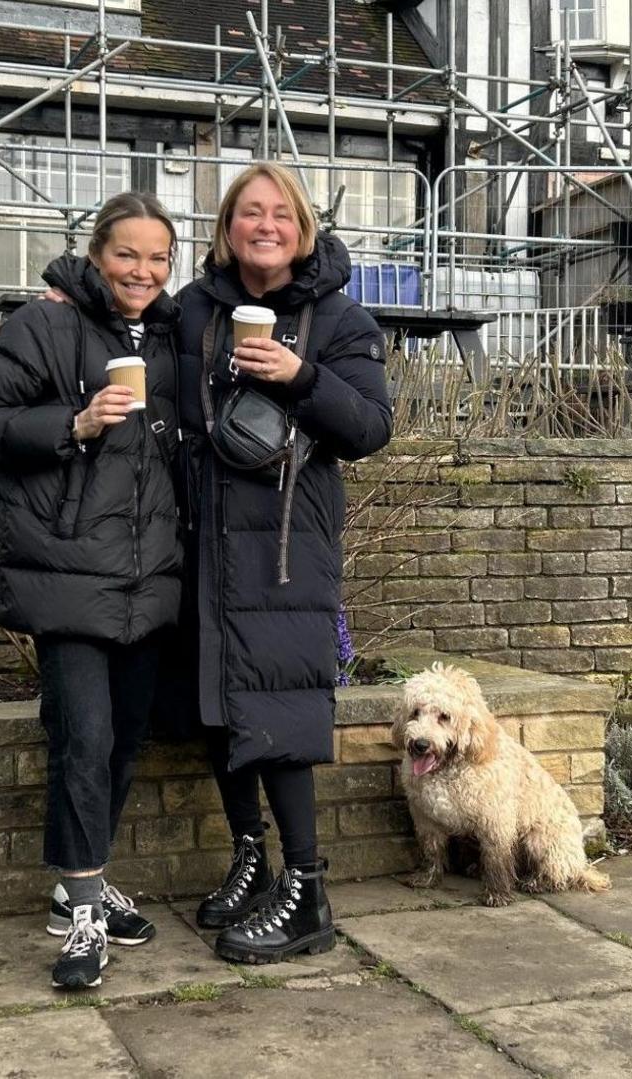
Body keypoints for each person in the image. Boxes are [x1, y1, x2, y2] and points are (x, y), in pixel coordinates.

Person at [0, 192, 184, 991]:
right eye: (128, 253)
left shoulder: (171, 335)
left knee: (122, 741)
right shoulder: (43, 325)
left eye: (159, 257)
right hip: (63, 573)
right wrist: (74, 424)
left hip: (146, 577)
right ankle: (85, 915)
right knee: (82, 737)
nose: (143, 270)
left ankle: (77, 883)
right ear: (96, 253)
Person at [177, 163, 394, 963]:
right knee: (218, 703)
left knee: (281, 706)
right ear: (228, 226)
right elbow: (129, 343)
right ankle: (250, 858)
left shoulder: (337, 316)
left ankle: (306, 891)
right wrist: (69, 299)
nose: (263, 225)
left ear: (301, 228)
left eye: (280, 214)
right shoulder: (197, 308)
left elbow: (372, 427)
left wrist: (301, 377)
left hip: (283, 547)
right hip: (202, 536)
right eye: (248, 213)